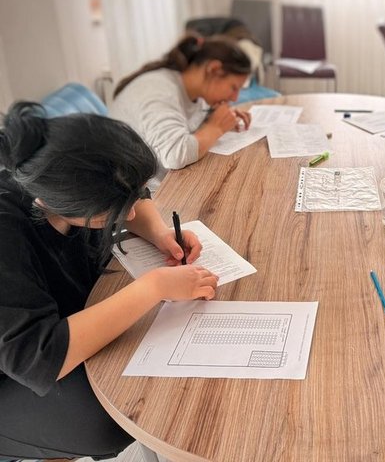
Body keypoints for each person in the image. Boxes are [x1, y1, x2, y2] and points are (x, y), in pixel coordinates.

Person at [0, 102, 219, 460]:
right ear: (61, 203)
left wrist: (159, 233)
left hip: (57, 320)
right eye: (116, 211)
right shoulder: (7, 234)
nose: (129, 214)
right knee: (112, 414)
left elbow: (134, 196)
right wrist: (154, 286)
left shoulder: (53, 174)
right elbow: (36, 355)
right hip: (14, 374)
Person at [109, 34, 253, 184]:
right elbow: (175, 155)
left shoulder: (194, 91)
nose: (235, 98)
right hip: (139, 192)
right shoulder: (160, 92)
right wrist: (215, 127)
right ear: (213, 69)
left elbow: (190, 121)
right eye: (234, 87)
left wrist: (218, 119)